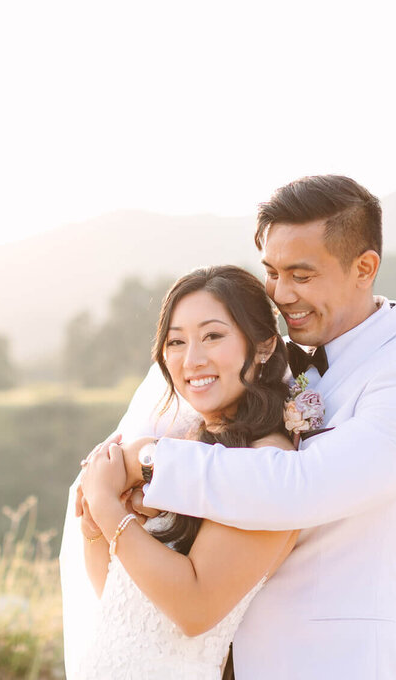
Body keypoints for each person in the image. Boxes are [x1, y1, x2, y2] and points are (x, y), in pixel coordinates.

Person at [104, 175, 396, 679]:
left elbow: (301, 487)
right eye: (272, 272)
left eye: (301, 274)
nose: (280, 293)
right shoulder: (276, 367)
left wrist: (148, 462)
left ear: (365, 268)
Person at [66, 265, 299, 679]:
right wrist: (93, 522)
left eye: (213, 336)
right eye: (176, 341)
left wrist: (107, 505)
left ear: (263, 346)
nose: (192, 359)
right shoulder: (182, 445)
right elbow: (119, 596)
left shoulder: (269, 466)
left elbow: (195, 609)